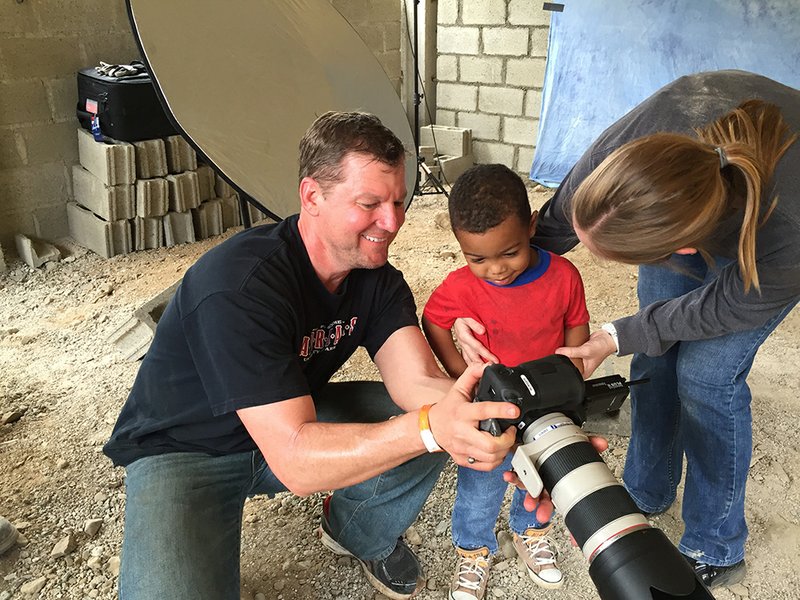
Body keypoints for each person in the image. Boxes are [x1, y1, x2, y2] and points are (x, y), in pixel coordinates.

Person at [102, 111, 523, 600]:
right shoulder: (241, 285)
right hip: (187, 448)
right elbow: (297, 464)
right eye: (369, 203)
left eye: (396, 201)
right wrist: (431, 428)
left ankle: (355, 532)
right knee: (427, 430)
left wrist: (495, 401)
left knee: (434, 421)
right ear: (312, 197)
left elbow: (415, 386)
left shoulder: (375, 277)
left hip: (287, 414)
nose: (392, 222)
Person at [453, 70, 800, 589]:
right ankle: (647, 490)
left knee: (705, 376)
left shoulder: (789, 234)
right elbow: (552, 228)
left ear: (682, 251)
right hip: (678, 195)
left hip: (767, 239)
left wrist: (612, 334)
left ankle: (715, 544)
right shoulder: (633, 151)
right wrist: (480, 301)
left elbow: (714, 308)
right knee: (654, 354)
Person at [421, 164, 590, 600]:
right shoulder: (461, 286)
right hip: (490, 413)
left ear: (532, 224)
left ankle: (530, 532)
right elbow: (434, 321)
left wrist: (572, 379)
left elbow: (576, 329)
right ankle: (474, 550)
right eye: (477, 258)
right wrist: (462, 374)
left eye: (509, 252)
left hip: (548, 406)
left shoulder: (565, 276)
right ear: (461, 247)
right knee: (482, 481)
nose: (496, 269)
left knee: (541, 475)